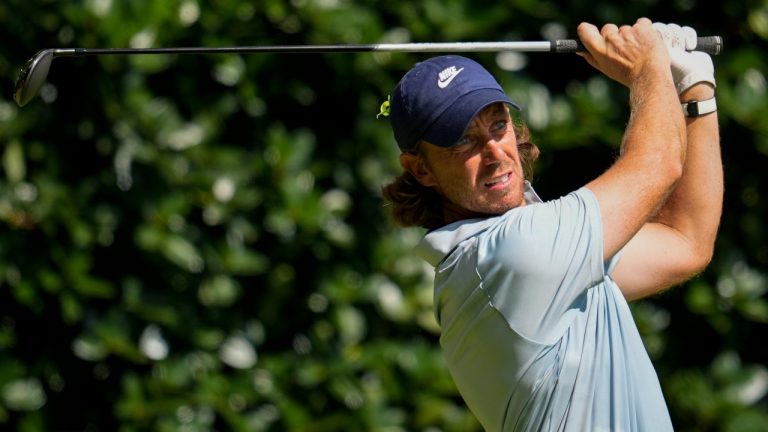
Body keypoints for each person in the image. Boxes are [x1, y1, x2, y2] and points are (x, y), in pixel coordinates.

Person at [380, 18, 722, 431]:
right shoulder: (509, 255)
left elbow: (685, 241)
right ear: (421, 170)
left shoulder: (537, 252)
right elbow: (659, 164)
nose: (494, 152)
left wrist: (694, 89)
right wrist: (648, 67)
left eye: (498, 124)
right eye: (462, 140)